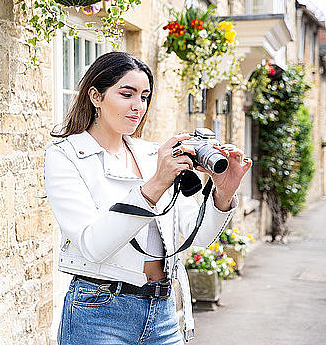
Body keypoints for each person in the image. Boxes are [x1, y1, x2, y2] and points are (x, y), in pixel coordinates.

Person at [44, 52, 252, 344]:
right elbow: (93, 246)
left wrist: (223, 192)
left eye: (144, 97)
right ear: (95, 96)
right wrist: (155, 184)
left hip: (163, 311)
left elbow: (199, 235)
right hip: (98, 313)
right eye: (126, 94)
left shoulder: (154, 154)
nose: (137, 107)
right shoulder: (66, 156)